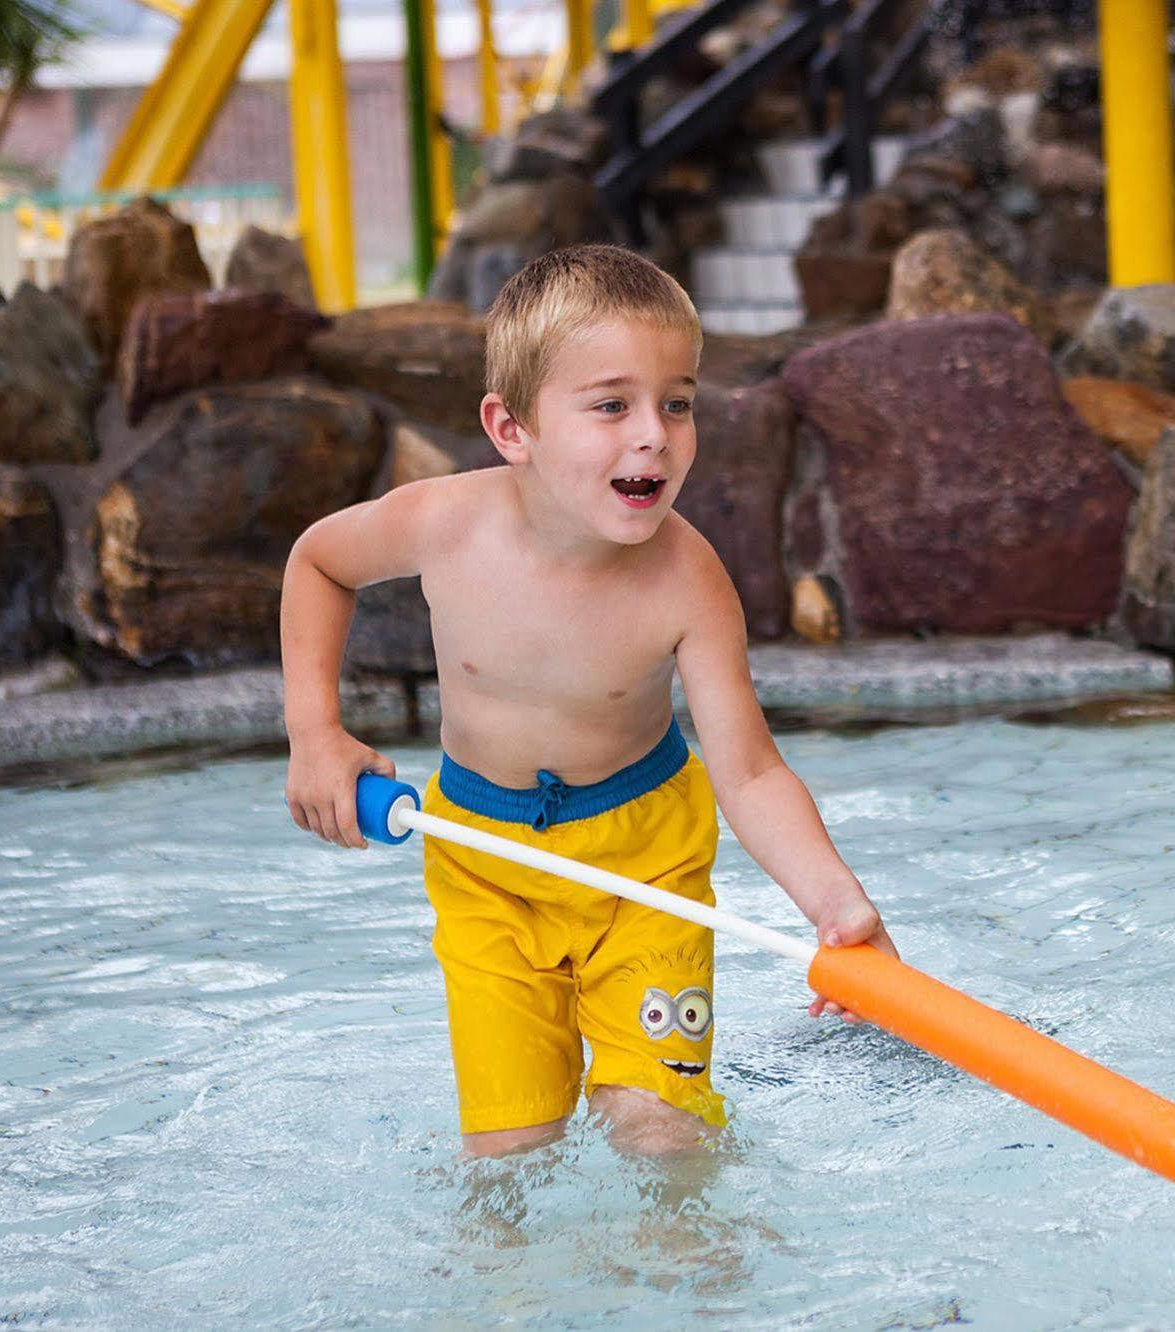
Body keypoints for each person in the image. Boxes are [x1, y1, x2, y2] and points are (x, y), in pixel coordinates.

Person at [279, 245, 897, 1159]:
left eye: (676, 403)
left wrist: (837, 903)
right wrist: (314, 734)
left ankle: (696, 1281)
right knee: (510, 1154)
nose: (654, 433)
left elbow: (751, 771)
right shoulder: (445, 526)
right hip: (484, 869)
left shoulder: (687, 580)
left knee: (660, 1135)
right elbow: (317, 562)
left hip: (644, 872)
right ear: (512, 427)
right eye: (611, 405)